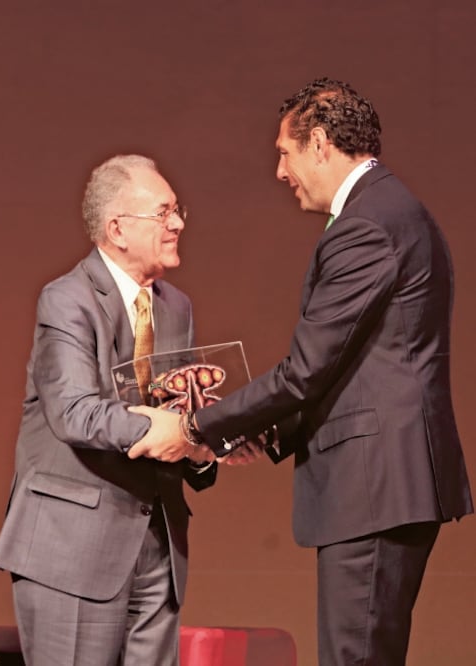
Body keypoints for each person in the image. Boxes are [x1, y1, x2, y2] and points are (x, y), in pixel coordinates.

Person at [133, 78, 474, 665]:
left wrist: (194, 428)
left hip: (375, 485)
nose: (279, 171)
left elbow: (305, 372)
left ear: (319, 143)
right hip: (388, 484)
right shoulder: (394, 211)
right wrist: (265, 432)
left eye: (284, 152)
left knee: (355, 657)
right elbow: (355, 365)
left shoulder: (367, 224)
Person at [0, 155, 228, 665]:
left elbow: (180, 410)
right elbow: (75, 412)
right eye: (163, 213)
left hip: (157, 542)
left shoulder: (176, 307)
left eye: (177, 211)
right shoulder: (66, 300)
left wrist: (208, 442)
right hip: (71, 548)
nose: (178, 223)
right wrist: (176, 428)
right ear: (117, 229)